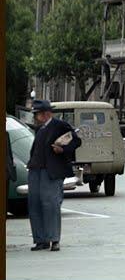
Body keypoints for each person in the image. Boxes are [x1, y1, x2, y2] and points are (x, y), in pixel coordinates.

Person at [27, 100, 82, 252]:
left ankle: (53, 239)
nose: (36, 117)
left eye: (37, 114)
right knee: (35, 205)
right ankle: (40, 240)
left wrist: (63, 150)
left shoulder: (59, 125)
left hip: (51, 172)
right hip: (35, 170)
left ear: (46, 113)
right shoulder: (40, 128)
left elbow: (76, 141)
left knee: (50, 205)